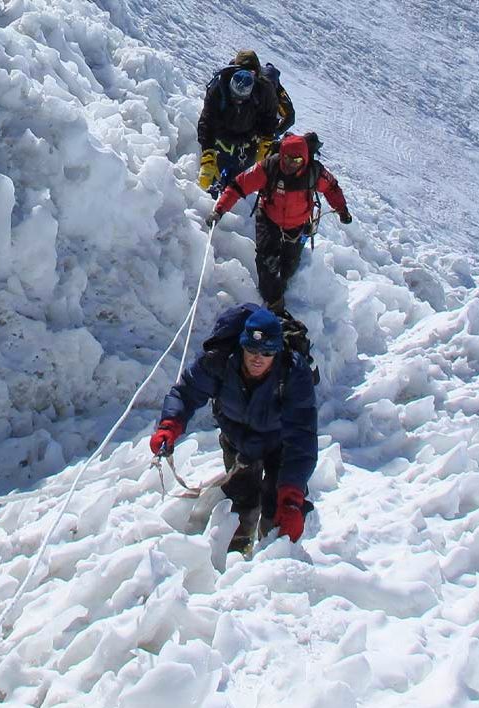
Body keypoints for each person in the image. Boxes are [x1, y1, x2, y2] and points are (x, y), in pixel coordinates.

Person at [149, 305, 318, 553]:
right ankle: (237, 558)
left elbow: (302, 436)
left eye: (267, 352)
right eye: (251, 349)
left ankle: (274, 562)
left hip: (280, 443)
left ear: (278, 352)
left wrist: (292, 498)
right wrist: (169, 426)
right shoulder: (219, 362)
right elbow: (186, 393)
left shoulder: (292, 373)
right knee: (241, 504)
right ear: (241, 345)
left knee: (277, 508)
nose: (257, 358)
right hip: (238, 440)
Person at [205, 132, 352, 313]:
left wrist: (342, 210)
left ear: (304, 159)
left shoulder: (314, 172)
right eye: (287, 159)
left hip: (297, 224)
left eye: (296, 161)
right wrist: (219, 210)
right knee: (267, 260)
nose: (290, 165)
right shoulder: (270, 167)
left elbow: (331, 187)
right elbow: (239, 185)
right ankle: (273, 303)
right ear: (281, 156)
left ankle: (279, 288)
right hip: (269, 217)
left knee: (288, 267)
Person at [197, 50, 280, 194]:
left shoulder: (265, 90)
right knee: (211, 186)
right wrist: (208, 155)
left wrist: (265, 142)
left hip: (248, 146)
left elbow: (269, 119)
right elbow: (207, 121)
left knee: (237, 189)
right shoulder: (219, 86)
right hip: (220, 144)